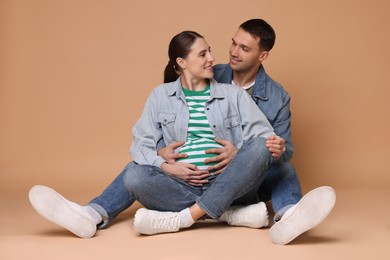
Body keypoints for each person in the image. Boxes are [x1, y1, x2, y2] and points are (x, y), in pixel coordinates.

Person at [29, 19, 336, 245]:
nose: (226, 54)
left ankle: (286, 215)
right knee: (134, 172)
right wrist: (162, 157)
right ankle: (91, 214)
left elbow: (275, 146)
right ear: (183, 63)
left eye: (244, 48)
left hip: (244, 178)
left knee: (279, 163)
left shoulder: (271, 96)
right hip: (188, 180)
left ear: (262, 56)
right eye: (231, 43)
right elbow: (155, 137)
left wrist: (241, 151)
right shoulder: (186, 83)